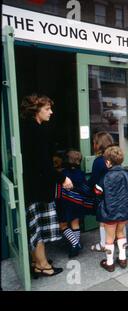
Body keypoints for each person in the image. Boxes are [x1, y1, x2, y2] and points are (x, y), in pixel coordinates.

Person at [20, 94, 73, 277]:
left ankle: (37, 261)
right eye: (47, 109)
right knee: (39, 228)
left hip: (31, 185)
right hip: (38, 187)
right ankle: (43, 265)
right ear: (37, 111)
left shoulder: (27, 128)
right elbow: (44, 164)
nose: (51, 112)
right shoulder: (37, 131)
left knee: (34, 226)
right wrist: (62, 179)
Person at [94, 146, 128, 272]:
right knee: (120, 233)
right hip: (125, 211)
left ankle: (109, 263)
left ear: (108, 162)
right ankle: (122, 258)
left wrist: (101, 205)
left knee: (109, 238)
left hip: (109, 212)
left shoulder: (104, 177)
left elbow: (97, 193)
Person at [55, 150, 93, 258]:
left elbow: (58, 191)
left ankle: (75, 244)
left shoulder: (62, 174)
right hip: (77, 202)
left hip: (64, 203)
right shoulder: (80, 173)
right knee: (75, 224)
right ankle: (76, 244)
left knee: (62, 225)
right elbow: (85, 188)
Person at [88, 132, 114, 252]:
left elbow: (94, 180)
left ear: (98, 145)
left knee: (103, 221)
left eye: (94, 142)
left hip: (103, 196)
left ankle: (103, 244)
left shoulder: (98, 161)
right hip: (116, 195)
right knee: (118, 220)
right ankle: (119, 241)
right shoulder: (114, 158)